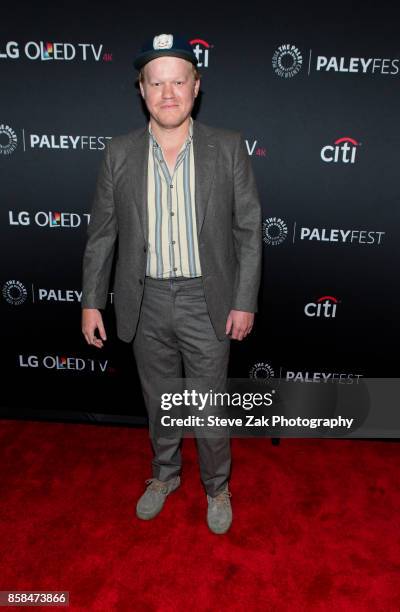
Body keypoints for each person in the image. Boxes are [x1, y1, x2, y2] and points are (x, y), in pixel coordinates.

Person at [81, 33, 262, 534]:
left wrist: (244, 300)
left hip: (209, 299)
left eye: (177, 81)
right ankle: (163, 476)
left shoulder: (227, 148)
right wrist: (92, 301)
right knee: (159, 400)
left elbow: (249, 231)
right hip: (147, 299)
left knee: (208, 406)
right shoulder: (118, 153)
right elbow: (103, 233)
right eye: (156, 83)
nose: (167, 93)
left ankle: (217, 487)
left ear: (196, 87)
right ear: (141, 90)